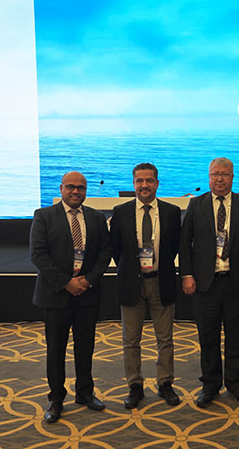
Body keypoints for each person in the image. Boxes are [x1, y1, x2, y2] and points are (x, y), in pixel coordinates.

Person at [179, 157, 239, 408]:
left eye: (224, 174)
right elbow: (185, 243)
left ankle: (235, 383)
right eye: (215, 174)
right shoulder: (196, 204)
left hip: (237, 282)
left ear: (232, 177)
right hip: (206, 284)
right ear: (209, 177)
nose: (219, 179)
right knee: (208, 337)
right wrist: (186, 274)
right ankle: (210, 384)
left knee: (236, 336)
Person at [30, 171, 111, 424]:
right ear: (62, 188)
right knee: (56, 349)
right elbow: (38, 254)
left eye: (81, 188)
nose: (76, 191)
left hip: (87, 293)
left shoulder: (97, 218)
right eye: (71, 187)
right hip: (56, 295)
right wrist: (67, 283)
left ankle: (85, 393)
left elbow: (105, 253)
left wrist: (87, 280)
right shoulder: (44, 216)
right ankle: (56, 399)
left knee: (86, 347)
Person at [110, 163, 181, 408]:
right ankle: (135, 386)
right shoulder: (120, 212)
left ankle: (165, 383)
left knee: (165, 338)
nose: (144, 185)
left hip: (162, 281)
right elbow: (116, 249)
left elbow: (175, 247)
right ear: (133, 184)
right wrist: (133, 268)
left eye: (149, 180)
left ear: (157, 183)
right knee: (131, 340)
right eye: (139, 181)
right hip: (131, 283)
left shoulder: (172, 212)